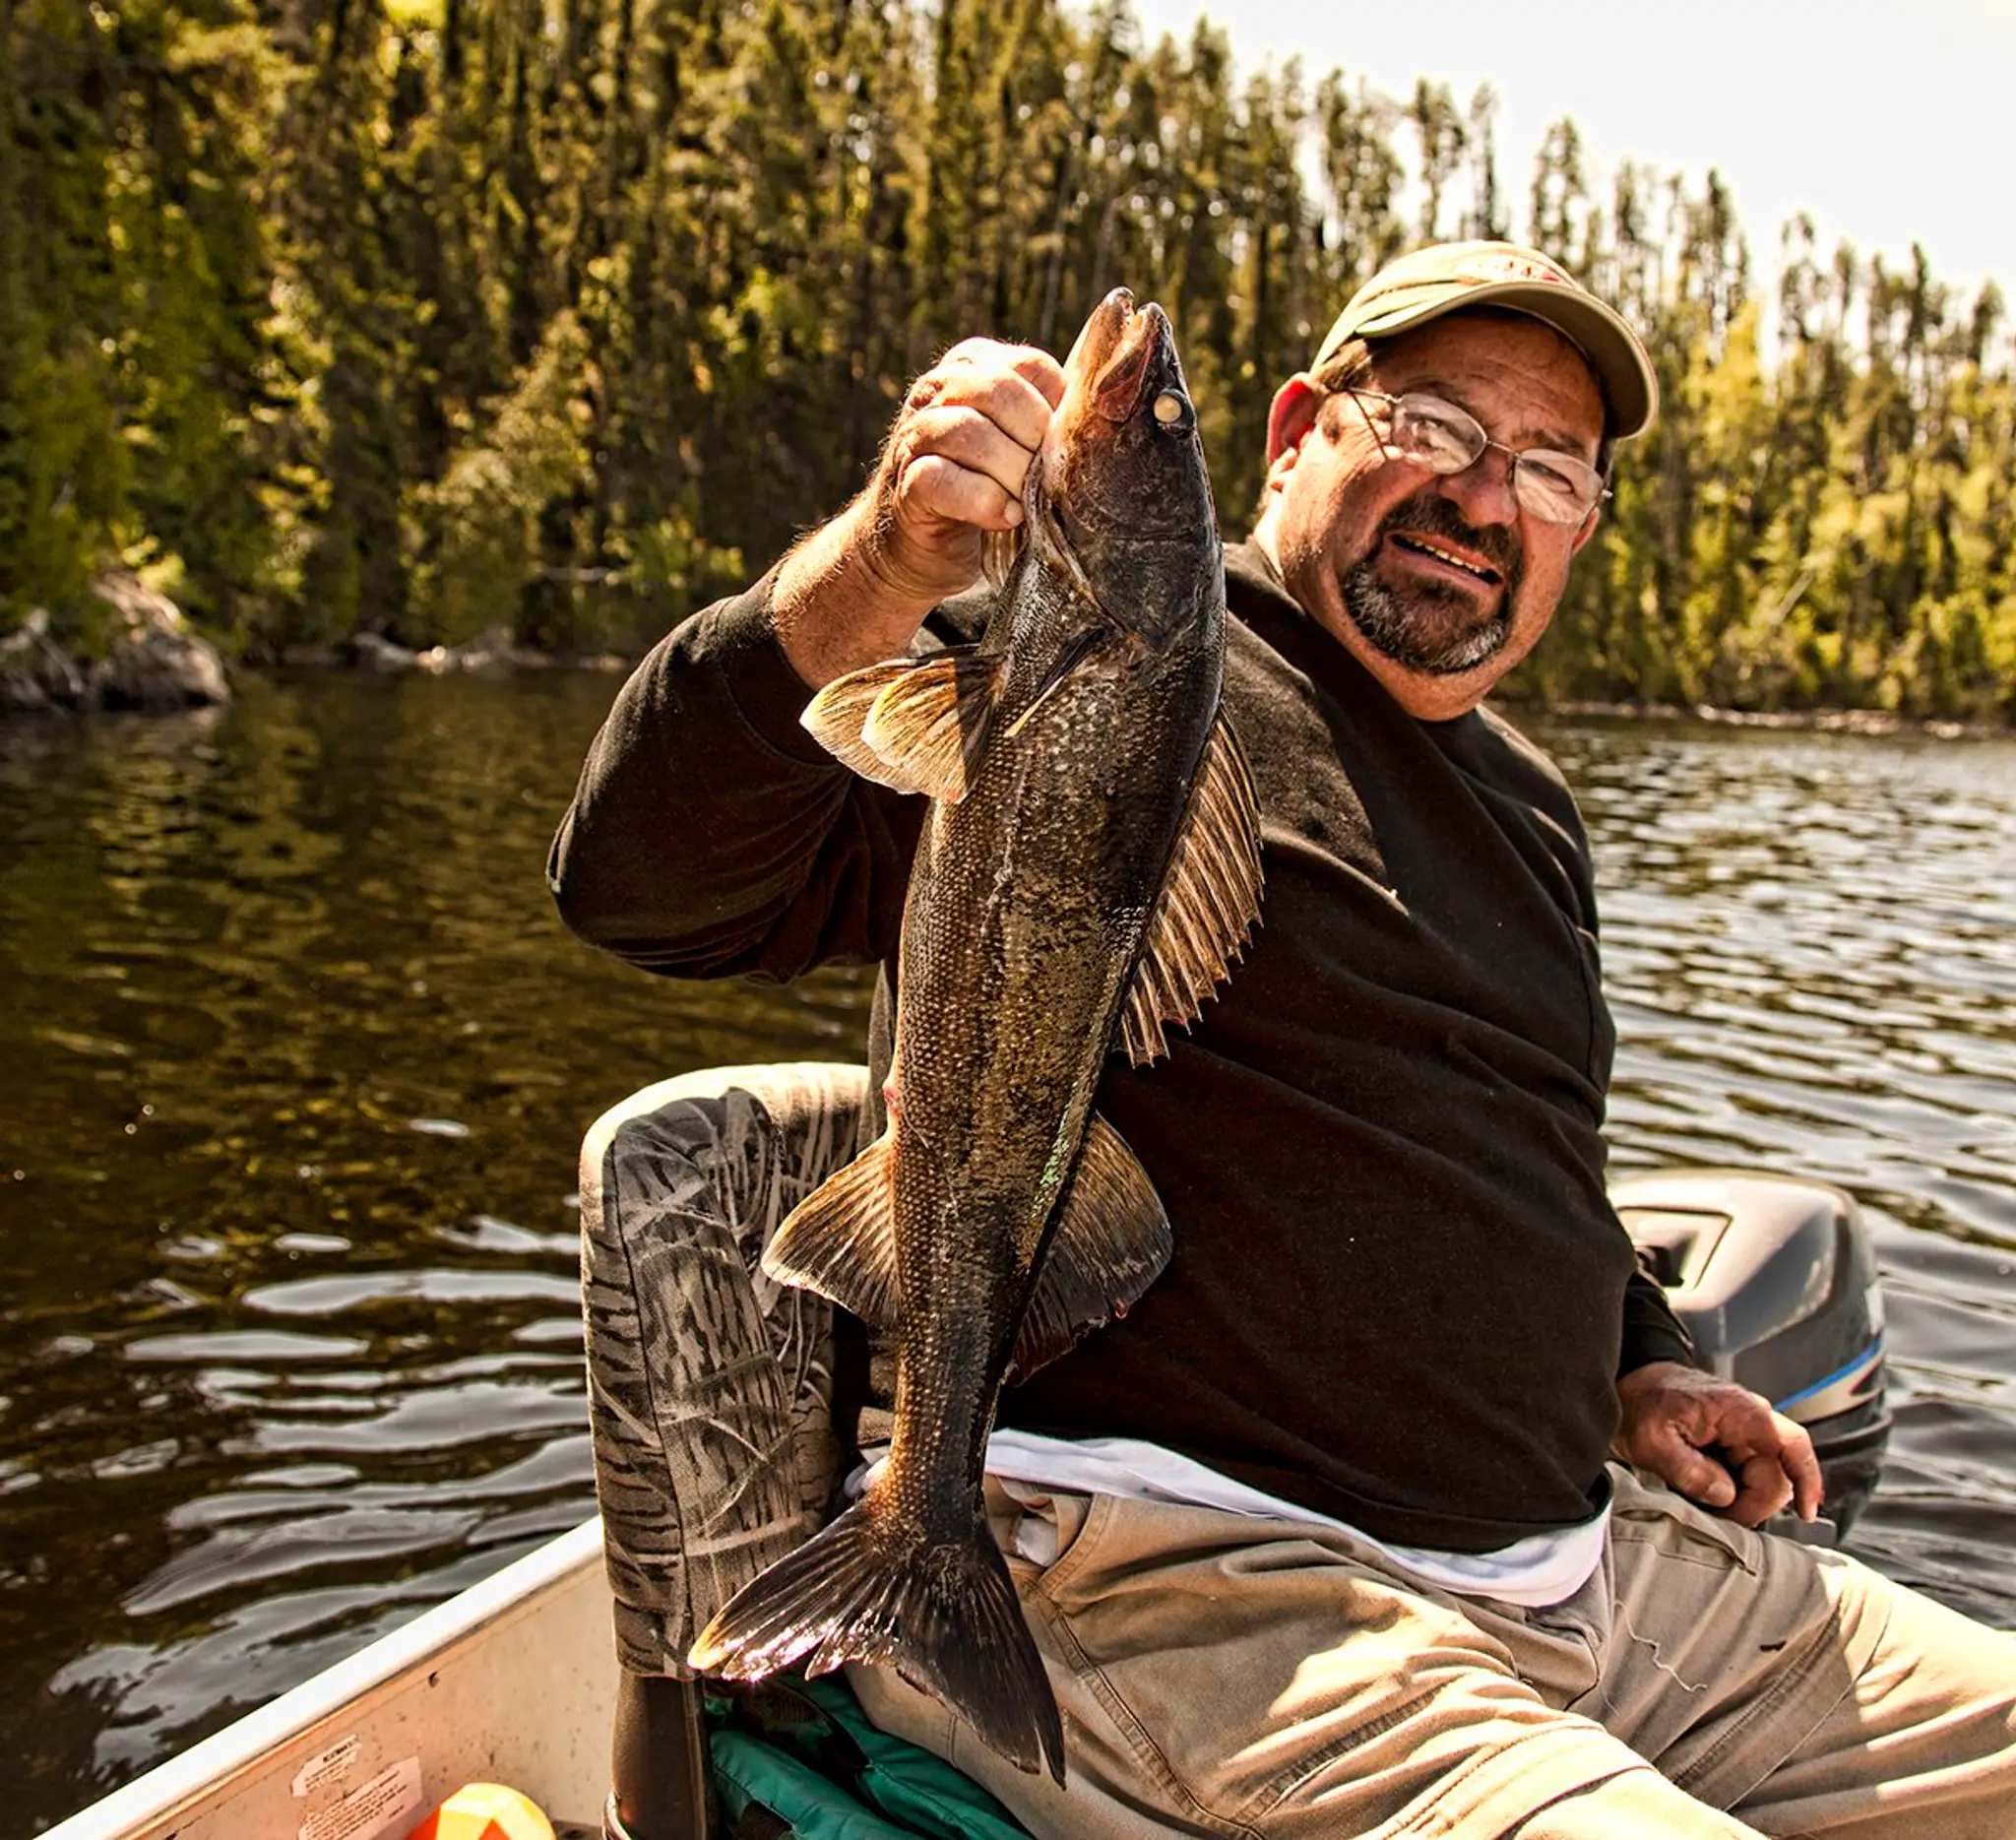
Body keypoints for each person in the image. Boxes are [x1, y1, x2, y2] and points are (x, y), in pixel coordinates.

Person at [550, 242, 2016, 1837]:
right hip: (1204, 1584)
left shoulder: (1531, 813)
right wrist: (880, 572)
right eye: (1440, 430)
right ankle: (932, 1563)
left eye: (1550, 472)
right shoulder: (1077, 670)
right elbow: (647, 889)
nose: (1487, 501)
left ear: (1582, 525)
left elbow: (1531, 1157)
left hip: (1609, 1580)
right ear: (1299, 425)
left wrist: (1642, 1365)